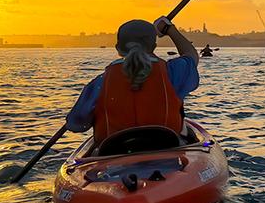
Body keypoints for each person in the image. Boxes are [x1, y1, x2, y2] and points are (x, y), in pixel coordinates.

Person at [66, 17, 200, 146]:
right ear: (153, 46)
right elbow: (191, 56)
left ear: (118, 48)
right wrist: (169, 29)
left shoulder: (99, 83)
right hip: (168, 149)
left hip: (113, 156)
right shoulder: (172, 73)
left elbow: (76, 124)